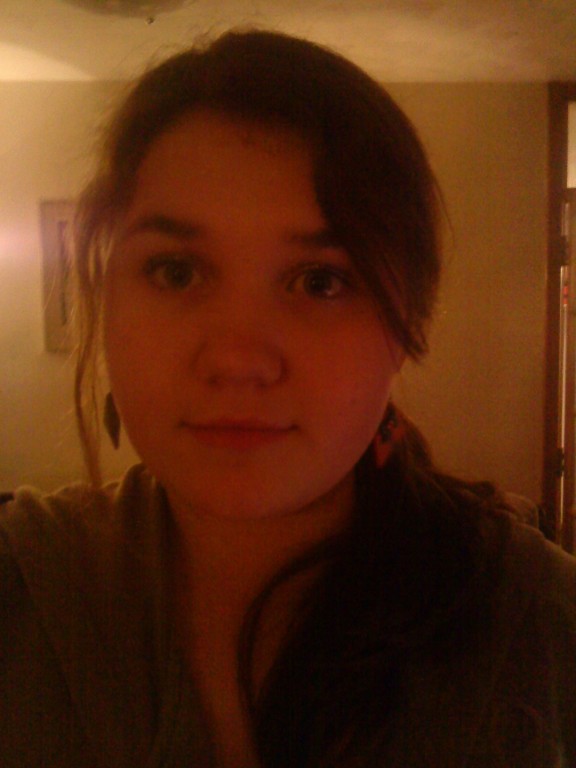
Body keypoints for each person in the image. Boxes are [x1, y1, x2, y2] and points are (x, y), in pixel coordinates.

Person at [0, 28, 574, 768]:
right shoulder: (23, 584)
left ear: (407, 327)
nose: (237, 359)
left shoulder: (538, 627)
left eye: (320, 282)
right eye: (176, 271)